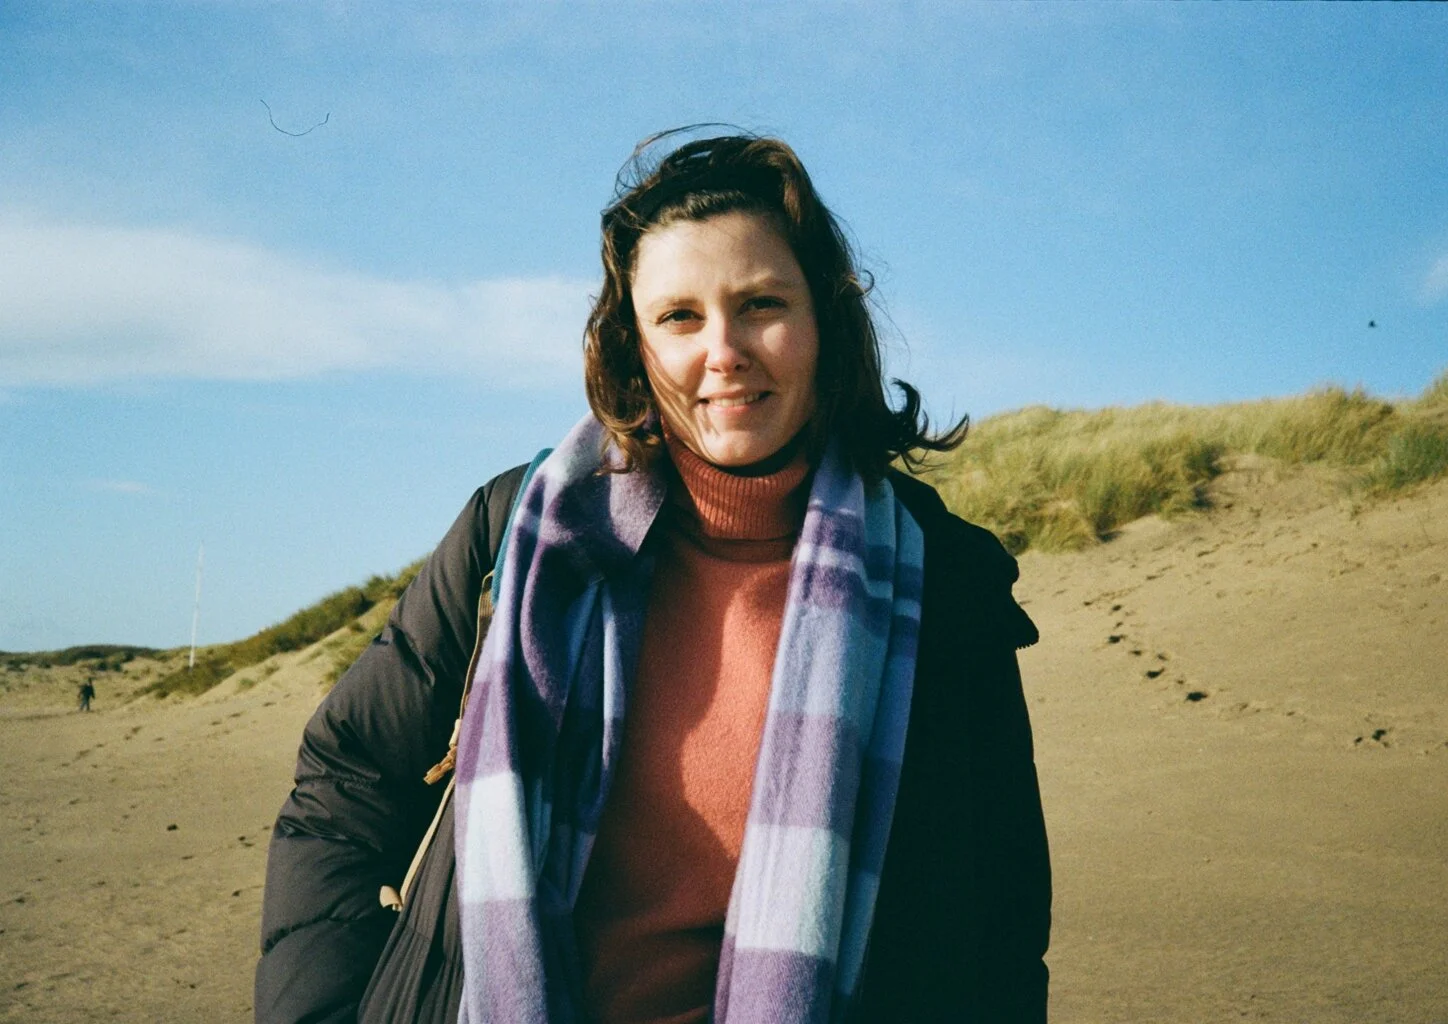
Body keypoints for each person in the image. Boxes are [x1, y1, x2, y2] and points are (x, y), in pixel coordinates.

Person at [255, 131, 1051, 1024]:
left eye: (760, 304)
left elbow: (1000, 917)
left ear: (823, 319)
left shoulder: (941, 583)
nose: (724, 351)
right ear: (632, 344)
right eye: (679, 317)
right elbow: (347, 779)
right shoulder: (518, 534)